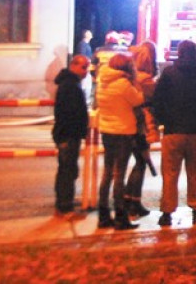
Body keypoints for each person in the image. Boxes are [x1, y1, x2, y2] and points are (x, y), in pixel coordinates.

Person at [151, 39, 196, 227]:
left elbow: (158, 101)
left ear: (179, 53)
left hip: (173, 132)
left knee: (170, 174)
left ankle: (167, 212)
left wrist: (165, 120)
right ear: (195, 53)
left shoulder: (169, 73)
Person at [96, 52, 145, 229]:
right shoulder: (123, 84)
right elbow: (138, 99)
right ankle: (120, 215)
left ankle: (103, 214)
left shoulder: (102, 82)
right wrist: (137, 84)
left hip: (107, 131)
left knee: (107, 172)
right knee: (119, 174)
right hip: (123, 132)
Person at [52, 54, 91, 220]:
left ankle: (63, 203)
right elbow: (71, 113)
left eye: (87, 67)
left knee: (67, 170)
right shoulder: (70, 86)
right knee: (67, 171)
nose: (86, 71)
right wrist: (80, 129)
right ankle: (65, 207)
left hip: (67, 133)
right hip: (68, 134)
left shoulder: (69, 83)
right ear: (74, 66)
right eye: (83, 67)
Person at [125, 40, 159, 218]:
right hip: (143, 126)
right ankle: (134, 202)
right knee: (141, 163)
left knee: (138, 161)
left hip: (131, 124)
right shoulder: (146, 81)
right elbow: (156, 101)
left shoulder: (130, 77)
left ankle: (128, 198)